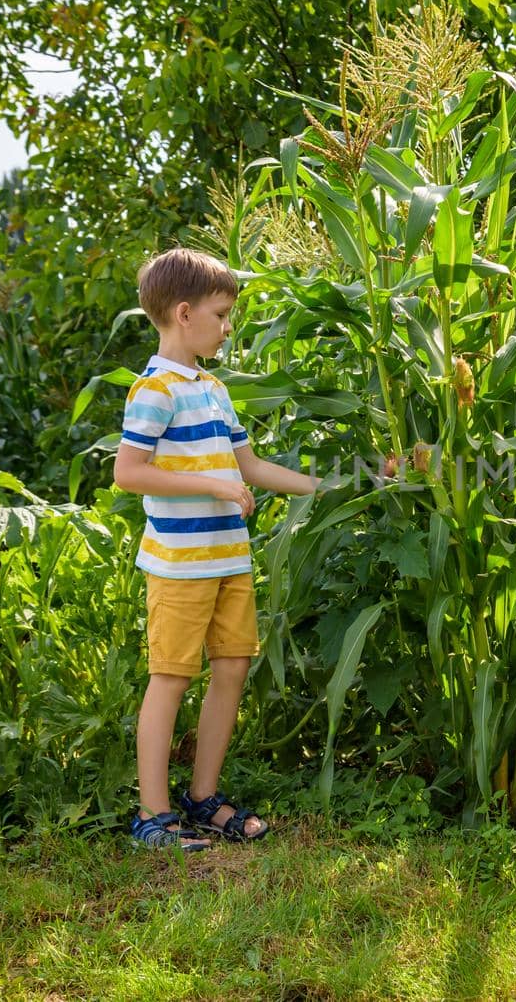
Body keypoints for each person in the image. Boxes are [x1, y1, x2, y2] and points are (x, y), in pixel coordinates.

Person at [114, 247, 317, 850]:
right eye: (222, 315)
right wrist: (210, 482)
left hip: (229, 560)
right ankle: (151, 817)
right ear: (184, 313)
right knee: (170, 678)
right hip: (180, 568)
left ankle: (202, 798)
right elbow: (129, 472)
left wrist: (322, 487)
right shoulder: (154, 390)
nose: (229, 327)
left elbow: (249, 466)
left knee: (231, 667)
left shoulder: (215, 389)